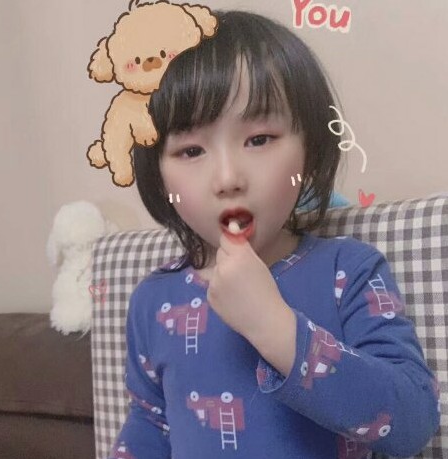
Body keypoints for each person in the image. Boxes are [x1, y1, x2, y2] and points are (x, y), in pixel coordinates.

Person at [109, 10, 440, 459]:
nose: (227, 178)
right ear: (158, 174)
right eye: (191, 150)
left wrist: (275, 327)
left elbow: (412, 423)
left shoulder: (349, 271)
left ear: (310, 152)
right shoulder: (153, 299)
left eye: (259, 139)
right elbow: (151, 421)